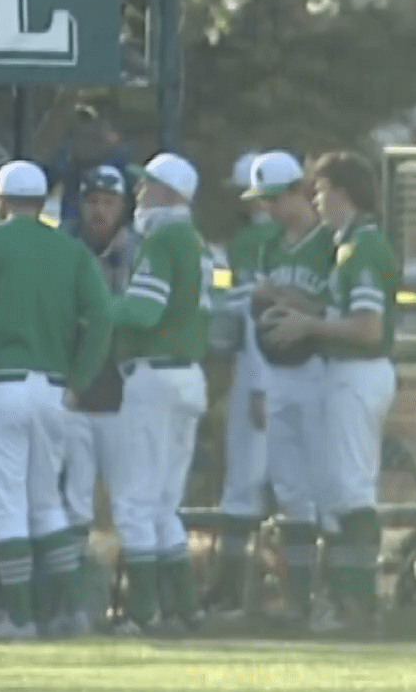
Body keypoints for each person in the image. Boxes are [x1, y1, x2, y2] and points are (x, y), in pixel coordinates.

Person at [0, 161, 113, 640]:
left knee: (3, 507)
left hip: (1, 384)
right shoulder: (71, 250)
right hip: (55, 389)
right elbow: (101, 320)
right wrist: (79, 378)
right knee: (46, 504)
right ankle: (73, 611)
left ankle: (19, 619)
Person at [262, 150, 400, 636]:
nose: (316, 202)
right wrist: (301, 302)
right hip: (353, 373)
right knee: (342, 489)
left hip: (358, 370)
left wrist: (308, 323)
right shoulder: (351, 245)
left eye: (320, 191)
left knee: (350, 491)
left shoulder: (360, 249)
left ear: (341, 192)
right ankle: (349, 601)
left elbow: (366, 327)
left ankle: (356, 606)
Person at [108, 155, 212, 634]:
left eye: (146, 184)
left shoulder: (162, 239)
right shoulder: (195, 241)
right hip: (188, 375)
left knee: (134, 501)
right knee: (164, 504)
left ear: (169, 192)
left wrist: (100, 306)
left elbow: (145, 313)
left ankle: (142, 611)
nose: (138, 193)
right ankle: (186, 608)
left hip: (154, 376)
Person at [242, 150, 333, 626]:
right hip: (278, 375)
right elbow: (261, 305)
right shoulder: (269, 246)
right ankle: (301, 602)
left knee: (327, 487)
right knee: (290, 490)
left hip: (320, 372)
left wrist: (304, 304)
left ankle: (334, 599)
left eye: (274, 199)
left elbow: (339, 308)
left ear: (298, 191)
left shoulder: (330, 241)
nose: (268, 209)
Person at [61, 165, 139, 634]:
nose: (98, 209)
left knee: (129, 505)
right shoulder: (64, 249)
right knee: (74, 506)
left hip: (125, 393)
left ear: (123, 205)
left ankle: (130, 609)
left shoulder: (141, 250)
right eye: (92, 199)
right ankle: (78, 609)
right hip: (75, 392)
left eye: (108, 200)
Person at [204, 152, 280, 614]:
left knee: (243, 485)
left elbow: (255, 321)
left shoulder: (252, 240)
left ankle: (232, 588)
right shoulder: (311, 238)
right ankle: (299, 591)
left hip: (262, 372)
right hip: (303, 376)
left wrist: (258, 384)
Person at [47, 105, 134, 235]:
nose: (86, 144)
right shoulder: (67, 165)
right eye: (80, 136)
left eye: (95, 138)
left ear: (113, 138)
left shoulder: (124, 171)